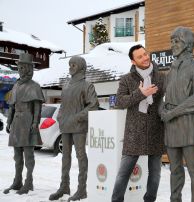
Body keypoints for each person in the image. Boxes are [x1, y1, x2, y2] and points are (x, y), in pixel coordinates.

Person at [161, 26, 194, 202]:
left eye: (177, 41)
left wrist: (173, 112)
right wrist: (162, 108)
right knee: (174, 169)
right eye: (171, 41)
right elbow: (164, 96)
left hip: (190, 126)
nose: (172, 45)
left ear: (187, 43)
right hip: (172, 127)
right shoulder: (171, 71)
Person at [111, 44, 165, 202]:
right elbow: (120, 102)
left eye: (145, 54)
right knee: (123, 173)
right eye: (140, 57)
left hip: (156, 130)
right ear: (133, 61)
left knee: (155, 173)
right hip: (134, 133)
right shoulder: (127, 79)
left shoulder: (161, 77)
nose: (145, 58)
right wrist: (140, 93)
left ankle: (150, 200)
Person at [49, 56, 99, 201]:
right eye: (70, 64)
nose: (70, 67)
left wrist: (78, 117)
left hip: (78, 126)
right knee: (65, 157)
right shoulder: (66, 85)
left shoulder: (87, 85)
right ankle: (64, 186)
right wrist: (60, 117)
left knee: (81, 156)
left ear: (81, 67)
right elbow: (63, 105)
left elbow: (93, 105)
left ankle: (81, 189)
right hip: (65, 126)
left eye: (74, 65)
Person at [3, 53, 45, 195]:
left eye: (22, 67)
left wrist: (35, 123)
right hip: (16, 123)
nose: (20, 69)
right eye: (19, 67)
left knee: (29, 156)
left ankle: (29, 181)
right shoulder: (16, 85)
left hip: (28, 122)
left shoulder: (34, 86)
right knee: (17, 156)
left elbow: (37, 108)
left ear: (28, 68)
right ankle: (17, 181)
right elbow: (12, 106)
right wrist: (9, 121)